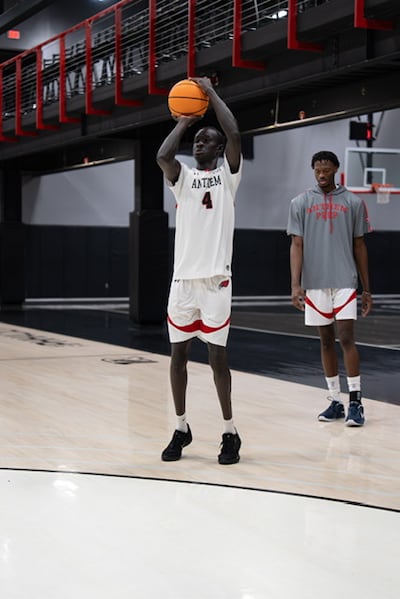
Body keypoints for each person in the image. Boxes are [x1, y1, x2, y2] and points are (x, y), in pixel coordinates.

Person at [156, 76, 242, 464]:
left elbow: (234, 132)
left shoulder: (228, 177)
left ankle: (230, 432)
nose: (198, 144)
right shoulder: (183, 178)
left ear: (220, 149)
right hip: (183, 283)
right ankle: (180, 428)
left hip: (216, 282)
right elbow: (163, 156)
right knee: (177, 357)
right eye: (197, 141)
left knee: (218, 359)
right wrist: (185, 121)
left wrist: (211, 93)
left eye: (206, 140)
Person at [287, 150, 373, 426]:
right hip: (314, 283)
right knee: (325, 341)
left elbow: (360, 245)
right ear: (313, 170)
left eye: (326, 169)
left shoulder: (354, 202)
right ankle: (335, 400)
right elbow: (296, 244)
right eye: (317, 170)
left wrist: (366, 289)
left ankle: (355, 402)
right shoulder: (300, 202)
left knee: (346, 337)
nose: (322, 174)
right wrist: (296, 285)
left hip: (345, 279)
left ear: (336, 169)